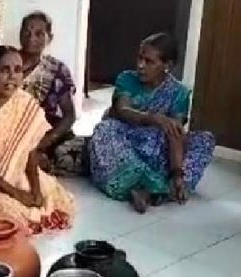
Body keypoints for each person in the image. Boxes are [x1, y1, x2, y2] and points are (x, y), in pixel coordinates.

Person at [89, 33, 215, 213]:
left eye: (149, 61)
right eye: (139, 58)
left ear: (167, 66)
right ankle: (154, 188)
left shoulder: (179, 93)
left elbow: (175, 134)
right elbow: (122, 110)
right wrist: (153, 119)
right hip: (126, 143)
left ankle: (156, 188)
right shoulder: (126, 79)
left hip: (158, 151)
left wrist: (177, 173)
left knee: (204, 140)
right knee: (105, 129)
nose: (140, 65)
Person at [0, 46, 75, 233]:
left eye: (17, 70)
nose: (12, 76)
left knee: (48, 192)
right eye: (4, 70)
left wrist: (34, 187)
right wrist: (14, 192)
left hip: (15, 170)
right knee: (4, 206)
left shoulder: (24, 102)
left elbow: (29, 149)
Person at [19, 11, 83, 176]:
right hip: (12, 129)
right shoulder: (7, 61)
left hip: (45, 132)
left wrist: (44, 143)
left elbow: (69, 115)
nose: (31, 38)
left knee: (74, 153)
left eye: (39, 34)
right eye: (26, 32)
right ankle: (30, 161)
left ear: (50, 38)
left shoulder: (57, 69)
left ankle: (35, 158)